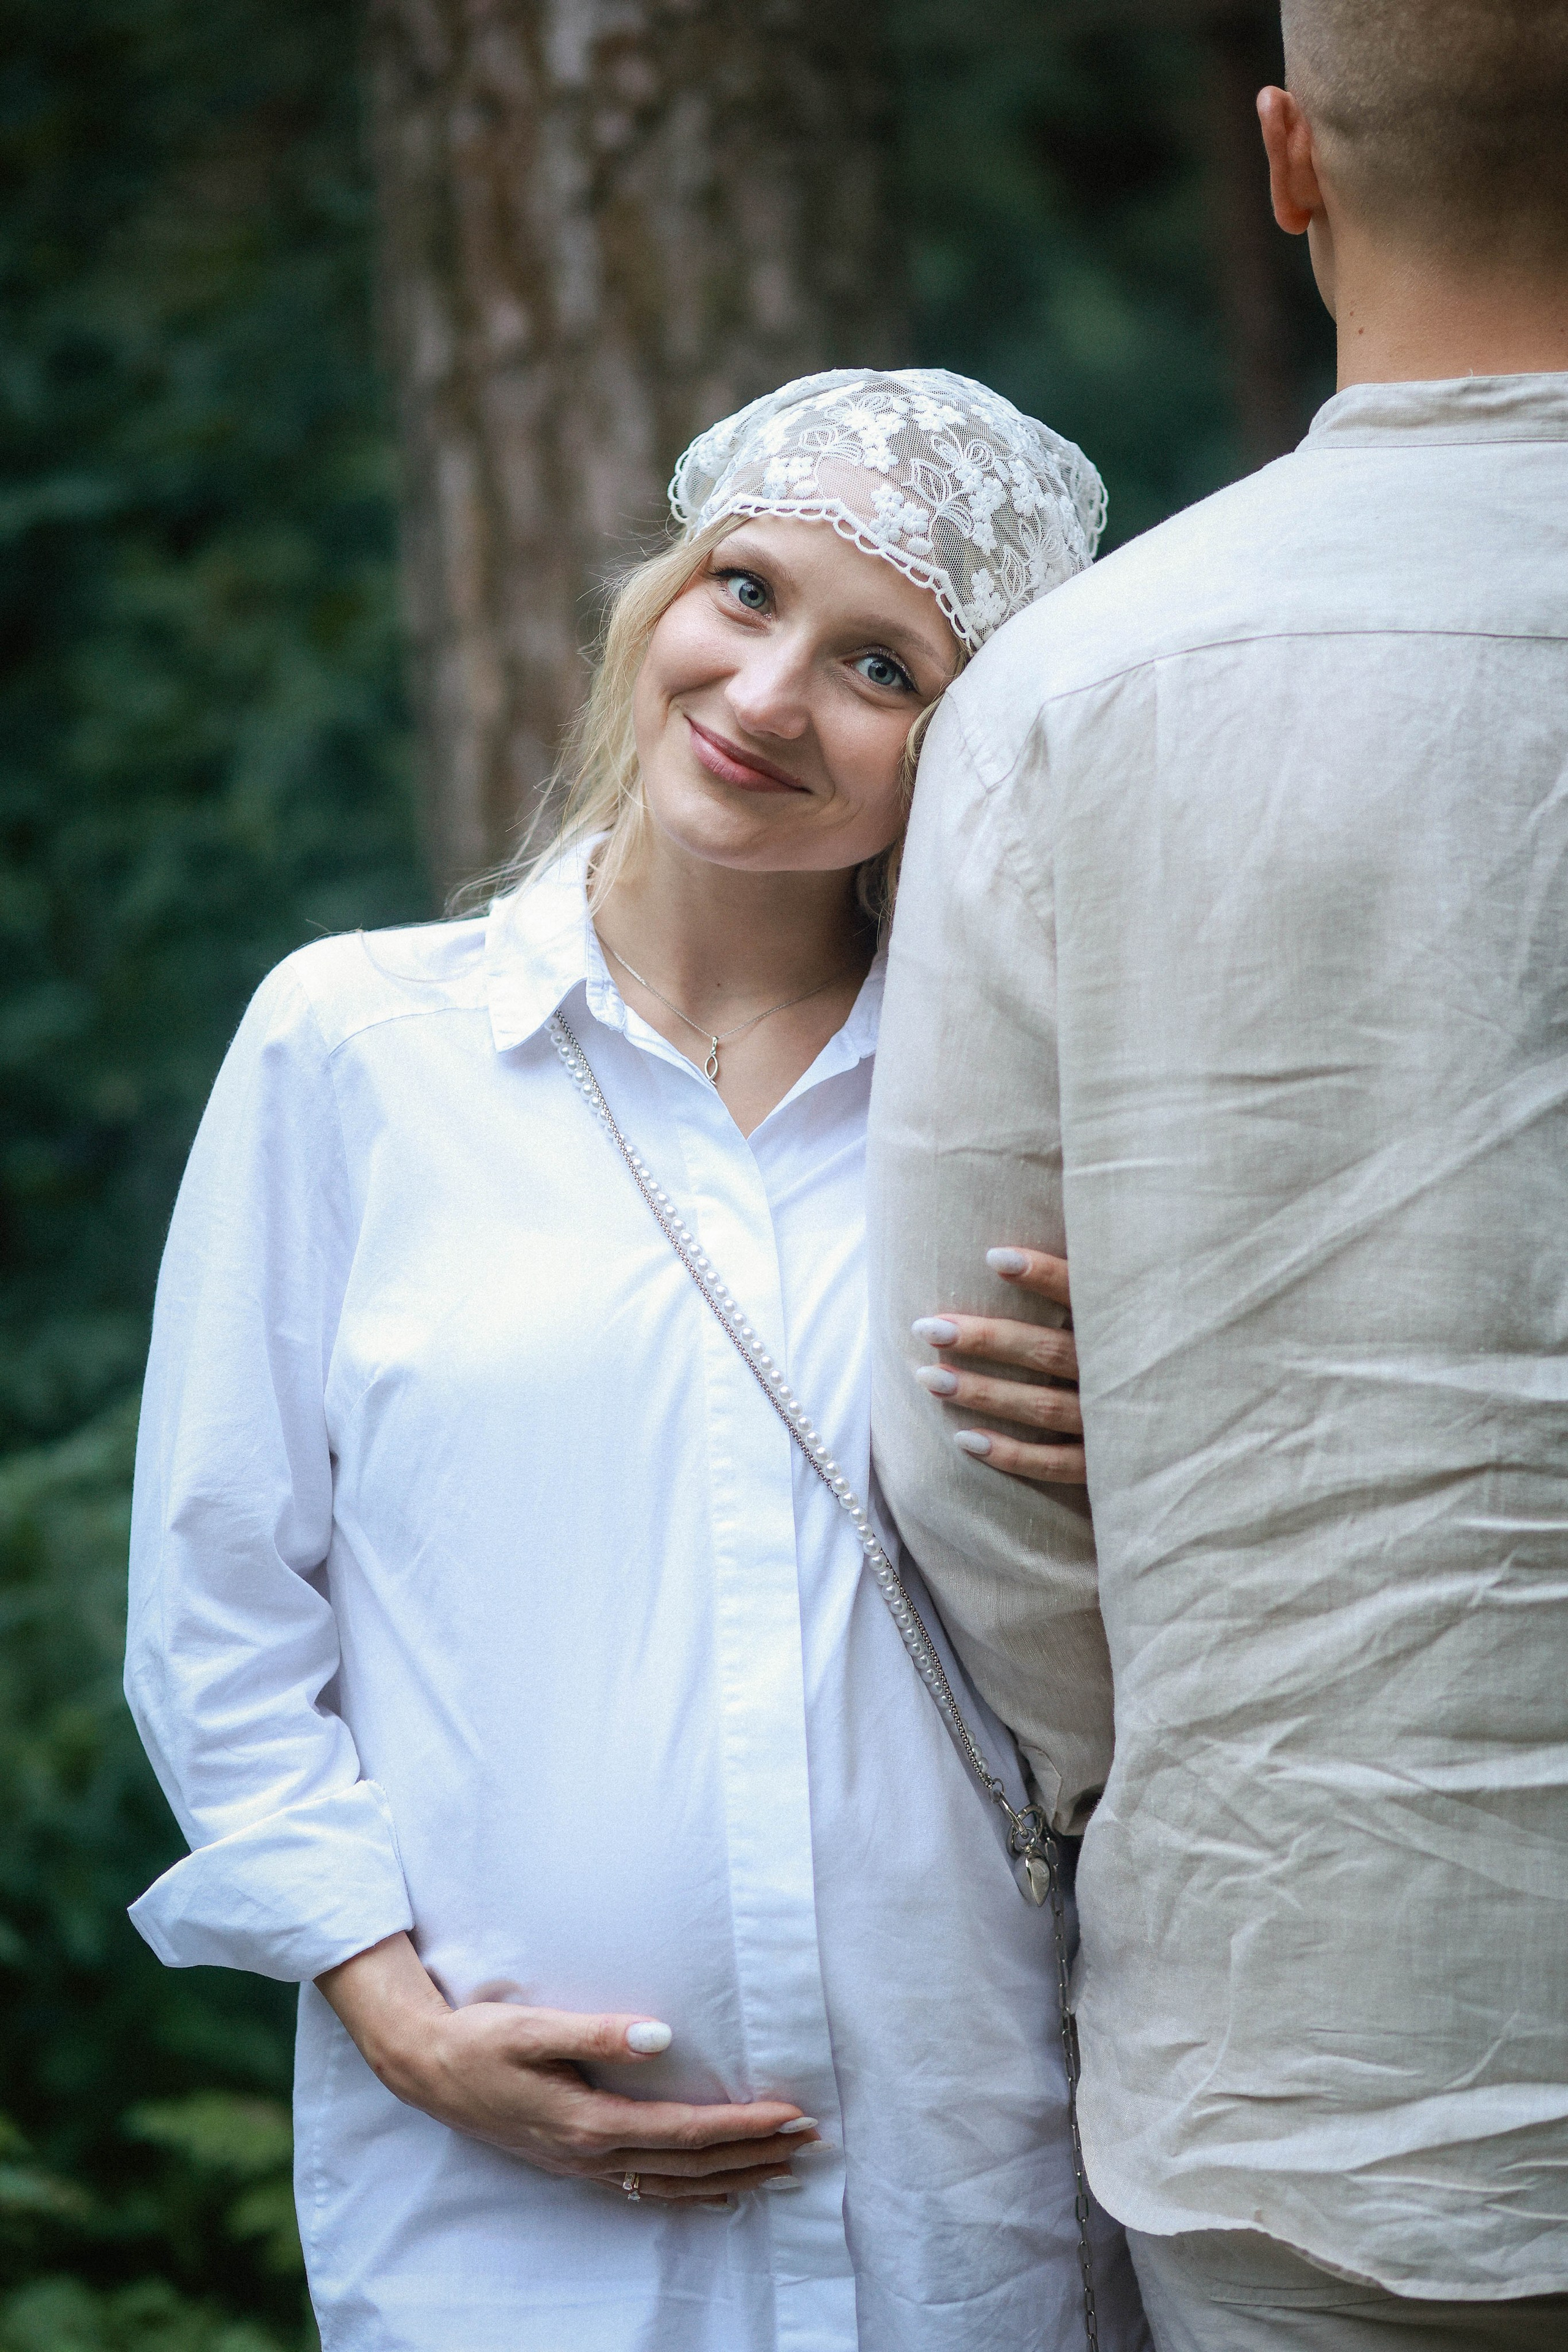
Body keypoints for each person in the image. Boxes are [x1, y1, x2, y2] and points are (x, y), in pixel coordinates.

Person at [123, 368, 1152, 2352]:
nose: (767, 696)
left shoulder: (1025, 1118)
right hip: (506, 2210)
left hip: (964, 2165)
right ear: (659, 592)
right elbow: (220, 1600)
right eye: (744, 590)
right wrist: (391, 2016)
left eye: (882, 666)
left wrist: (1152, 1450)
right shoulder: (359, 1051)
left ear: (967, 750)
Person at [869, 6, 1568, 2349]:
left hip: (1312, 2040)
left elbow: (964, 1445)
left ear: (1289, 161)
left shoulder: (1079, 690)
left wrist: (1180, 1747)